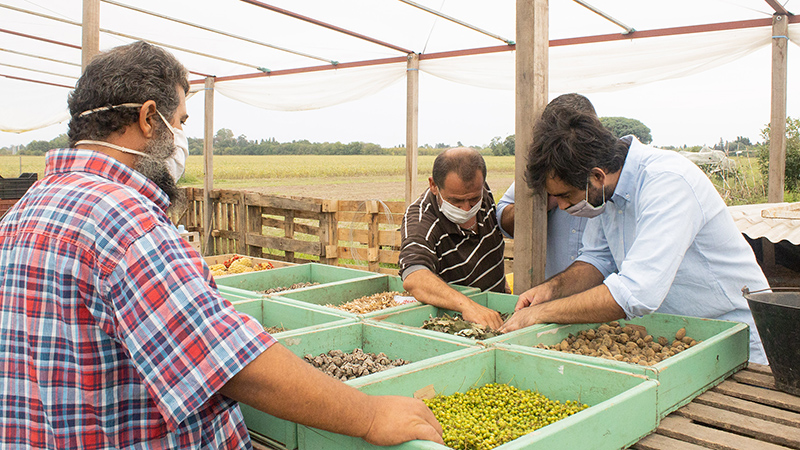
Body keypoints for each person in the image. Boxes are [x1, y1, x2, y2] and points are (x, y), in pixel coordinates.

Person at [0, 41, 443, 448]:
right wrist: (368, 415)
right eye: (180, 122)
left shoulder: (25, 209)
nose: (181, 136)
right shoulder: (125, 220)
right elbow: (228, 363)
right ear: (149, 118)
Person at [499, 104, 768, 364]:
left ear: (596, 176)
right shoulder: (606, 194)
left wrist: (541, 313)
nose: (561, 206)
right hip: (678, 339)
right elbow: (597, 260)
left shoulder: (668, 182)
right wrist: (550, 290)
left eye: (566, 195)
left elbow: (635, 293)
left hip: (735, 335)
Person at [400, 147, 506, 330]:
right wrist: (468, 307)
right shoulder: (421, 219)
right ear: (434, 185)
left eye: (473, 199)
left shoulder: (482, 191)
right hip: (459, 323)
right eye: (456, 201)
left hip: (498, 312)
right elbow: (414, 277)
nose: (466, 209)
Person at [496, 93, 595, 279]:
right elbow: (502, 218)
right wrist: (538, 203)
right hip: (550, 297)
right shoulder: (541, 168)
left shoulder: (608, 176)